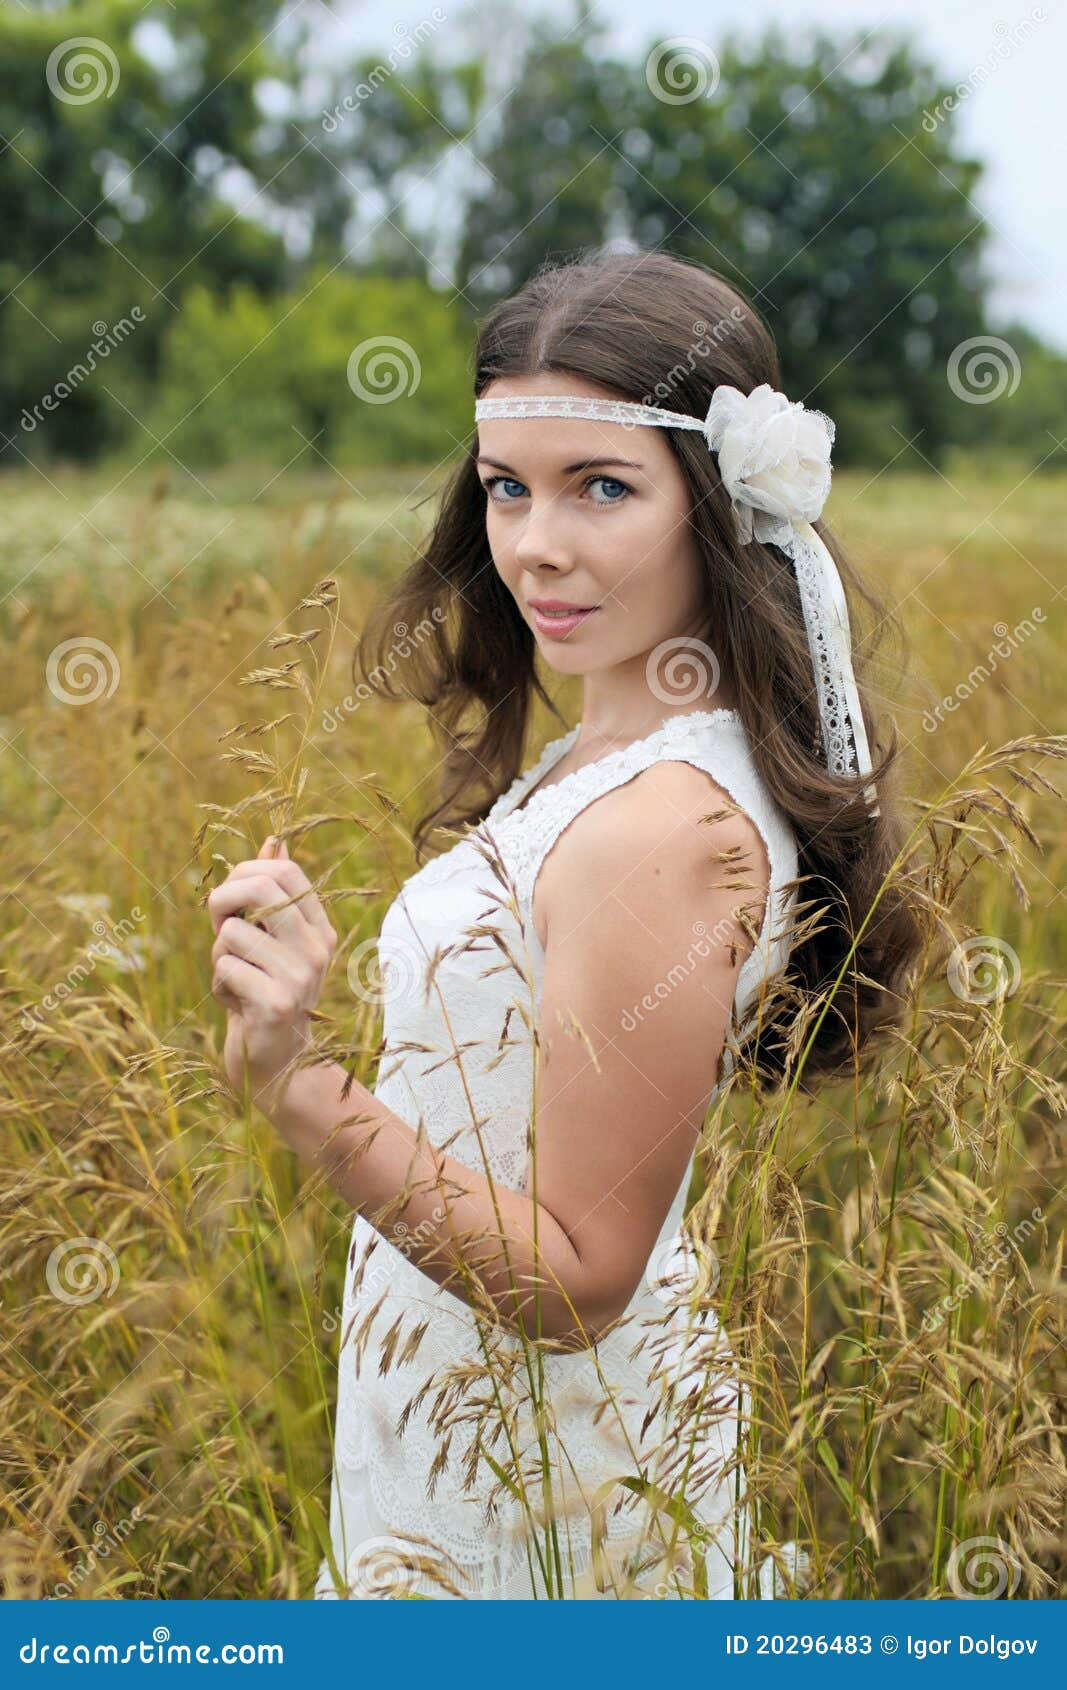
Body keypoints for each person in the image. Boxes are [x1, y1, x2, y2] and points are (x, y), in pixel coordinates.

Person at [206, 247, 923, 1599]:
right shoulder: (602, 757)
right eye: (507, 487)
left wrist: (294, 1081)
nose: (538, 543)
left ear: (714, 504)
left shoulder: (656, 829)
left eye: (603, 486)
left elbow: (583, 1273)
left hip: (549, 1488)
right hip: (480, 1425)